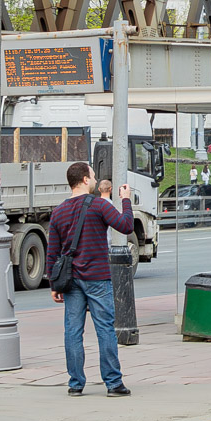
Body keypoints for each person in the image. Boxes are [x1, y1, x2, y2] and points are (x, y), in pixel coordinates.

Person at [46, 162, 134, 397]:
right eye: (93, 176)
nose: (95, 180)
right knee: (105, 329)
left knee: (73, 331)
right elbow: (126, 226)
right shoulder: (99, 205)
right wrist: (125, 200)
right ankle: (113, 383)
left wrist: (54, 284)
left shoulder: (58, 212)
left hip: (70, 281)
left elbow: (52, 252)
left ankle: (76, 384)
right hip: (97, 277)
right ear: (85, 180)